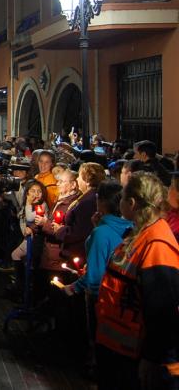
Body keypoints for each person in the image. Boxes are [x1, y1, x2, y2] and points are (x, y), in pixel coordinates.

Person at [95, 172, 179, 390]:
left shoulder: (157, 244)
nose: (119, 202)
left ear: (131, 203)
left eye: (122, 198)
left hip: (134, 355)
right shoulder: (140, 233)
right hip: (121, 351)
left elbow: (162, 311)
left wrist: (151, 359)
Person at [63, 181, 131, 375]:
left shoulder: (102, 233)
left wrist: (75, 287)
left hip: (99, 295)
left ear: (101, 202)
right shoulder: (129, 227)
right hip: (118, 294)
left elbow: (95, 272)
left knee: (98, 340)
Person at [52, 162, 106, 262]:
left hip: (78, 253)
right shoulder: (88, 197)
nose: (77, 179)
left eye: (80, 177)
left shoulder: (88, 201)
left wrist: (60, 230)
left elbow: (80, 231)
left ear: (88, 181)